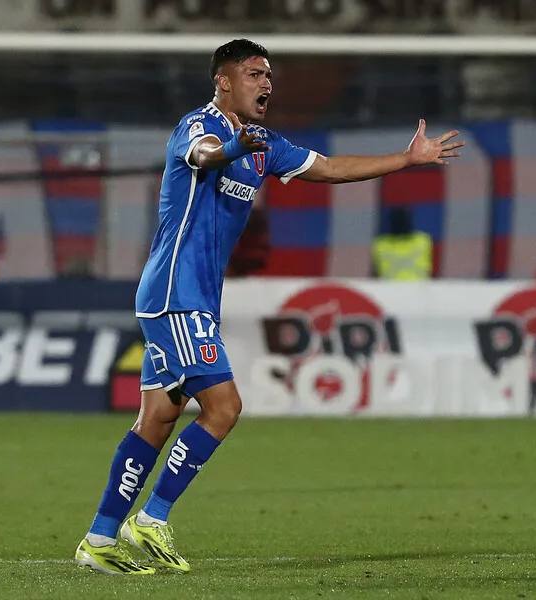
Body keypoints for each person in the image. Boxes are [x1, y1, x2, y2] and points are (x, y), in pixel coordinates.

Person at [74, 38, 465, 575]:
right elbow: (205, 157)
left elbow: (329, 168)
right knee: (224, 409)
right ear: (223, 81)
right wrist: (236, 147)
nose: (266, 83)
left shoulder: (265, 144)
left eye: (269, 75)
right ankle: (152, 519)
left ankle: (99, 538)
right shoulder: (199, 126)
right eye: (255, 74)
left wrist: (407, 158)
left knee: (157, 419)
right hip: (176, 294)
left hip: (191, 298)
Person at [371, 207, 433, 280]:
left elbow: (375, 274)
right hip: (419, 288)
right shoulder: (423, 240)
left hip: (389, 289)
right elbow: (430, 271)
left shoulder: (380, 244)